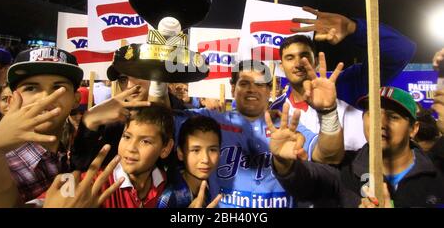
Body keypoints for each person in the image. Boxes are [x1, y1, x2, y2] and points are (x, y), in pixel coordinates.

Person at [152, 57, 345, 208]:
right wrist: (158, 75)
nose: (252, 89)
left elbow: (330, 155)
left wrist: (327, 113)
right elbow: (158, 120)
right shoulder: (210, 121)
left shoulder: (285, 128)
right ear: (233, 88)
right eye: (244, 83)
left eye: (260, 84)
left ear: (270, 90)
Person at [269, 86, 444, 207]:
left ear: (413, 129)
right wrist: (283, 163)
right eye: (372, 114)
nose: (380, 123)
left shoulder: (437, 177)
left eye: (393, 117)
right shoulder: (345, 168)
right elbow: (304, 181)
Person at [271, 7, 416, 151]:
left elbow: (402, 50)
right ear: (281, 66)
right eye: (290, 58)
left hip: (354, 172)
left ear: (315, 62)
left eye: (304, 56)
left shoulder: (347, 84)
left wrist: (353, 28)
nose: (298, 63)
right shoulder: (275, 110)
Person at [0, 47, 83, 205]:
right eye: (31, 88)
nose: (45, 98)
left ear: (76, 99)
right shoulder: (2, 162)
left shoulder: (65, 154)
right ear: (11, 101)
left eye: (58, 87)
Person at [97, 104, 174, 208]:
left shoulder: (167, 185)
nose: (131, 148)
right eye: (127, 137)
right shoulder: (96, 184)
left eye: (145, 141)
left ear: (166, 149)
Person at [159, 115, 222, 208]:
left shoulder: (211, 185)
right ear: (180, 153)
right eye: (196, 150)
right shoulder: (169, 198)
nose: (205, 159)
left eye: (212, 150)